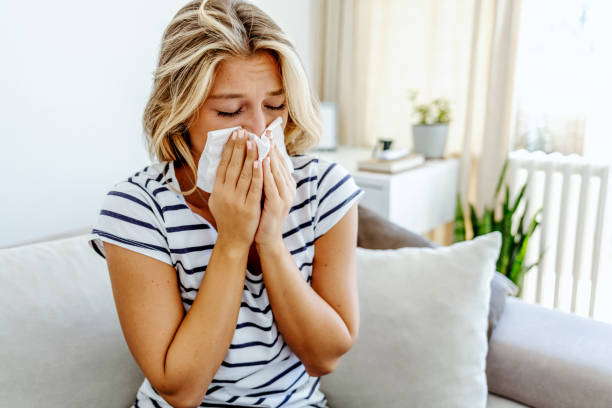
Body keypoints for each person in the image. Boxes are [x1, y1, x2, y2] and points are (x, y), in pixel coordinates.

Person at [89, 1, 364, 407]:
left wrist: (269, 239)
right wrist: (233, 241)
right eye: (230, 110)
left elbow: (325, 356)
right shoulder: (137, 209)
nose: (258, 130)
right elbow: (180, 390)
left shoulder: (325, 189)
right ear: (179, 113)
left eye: (274, 106)